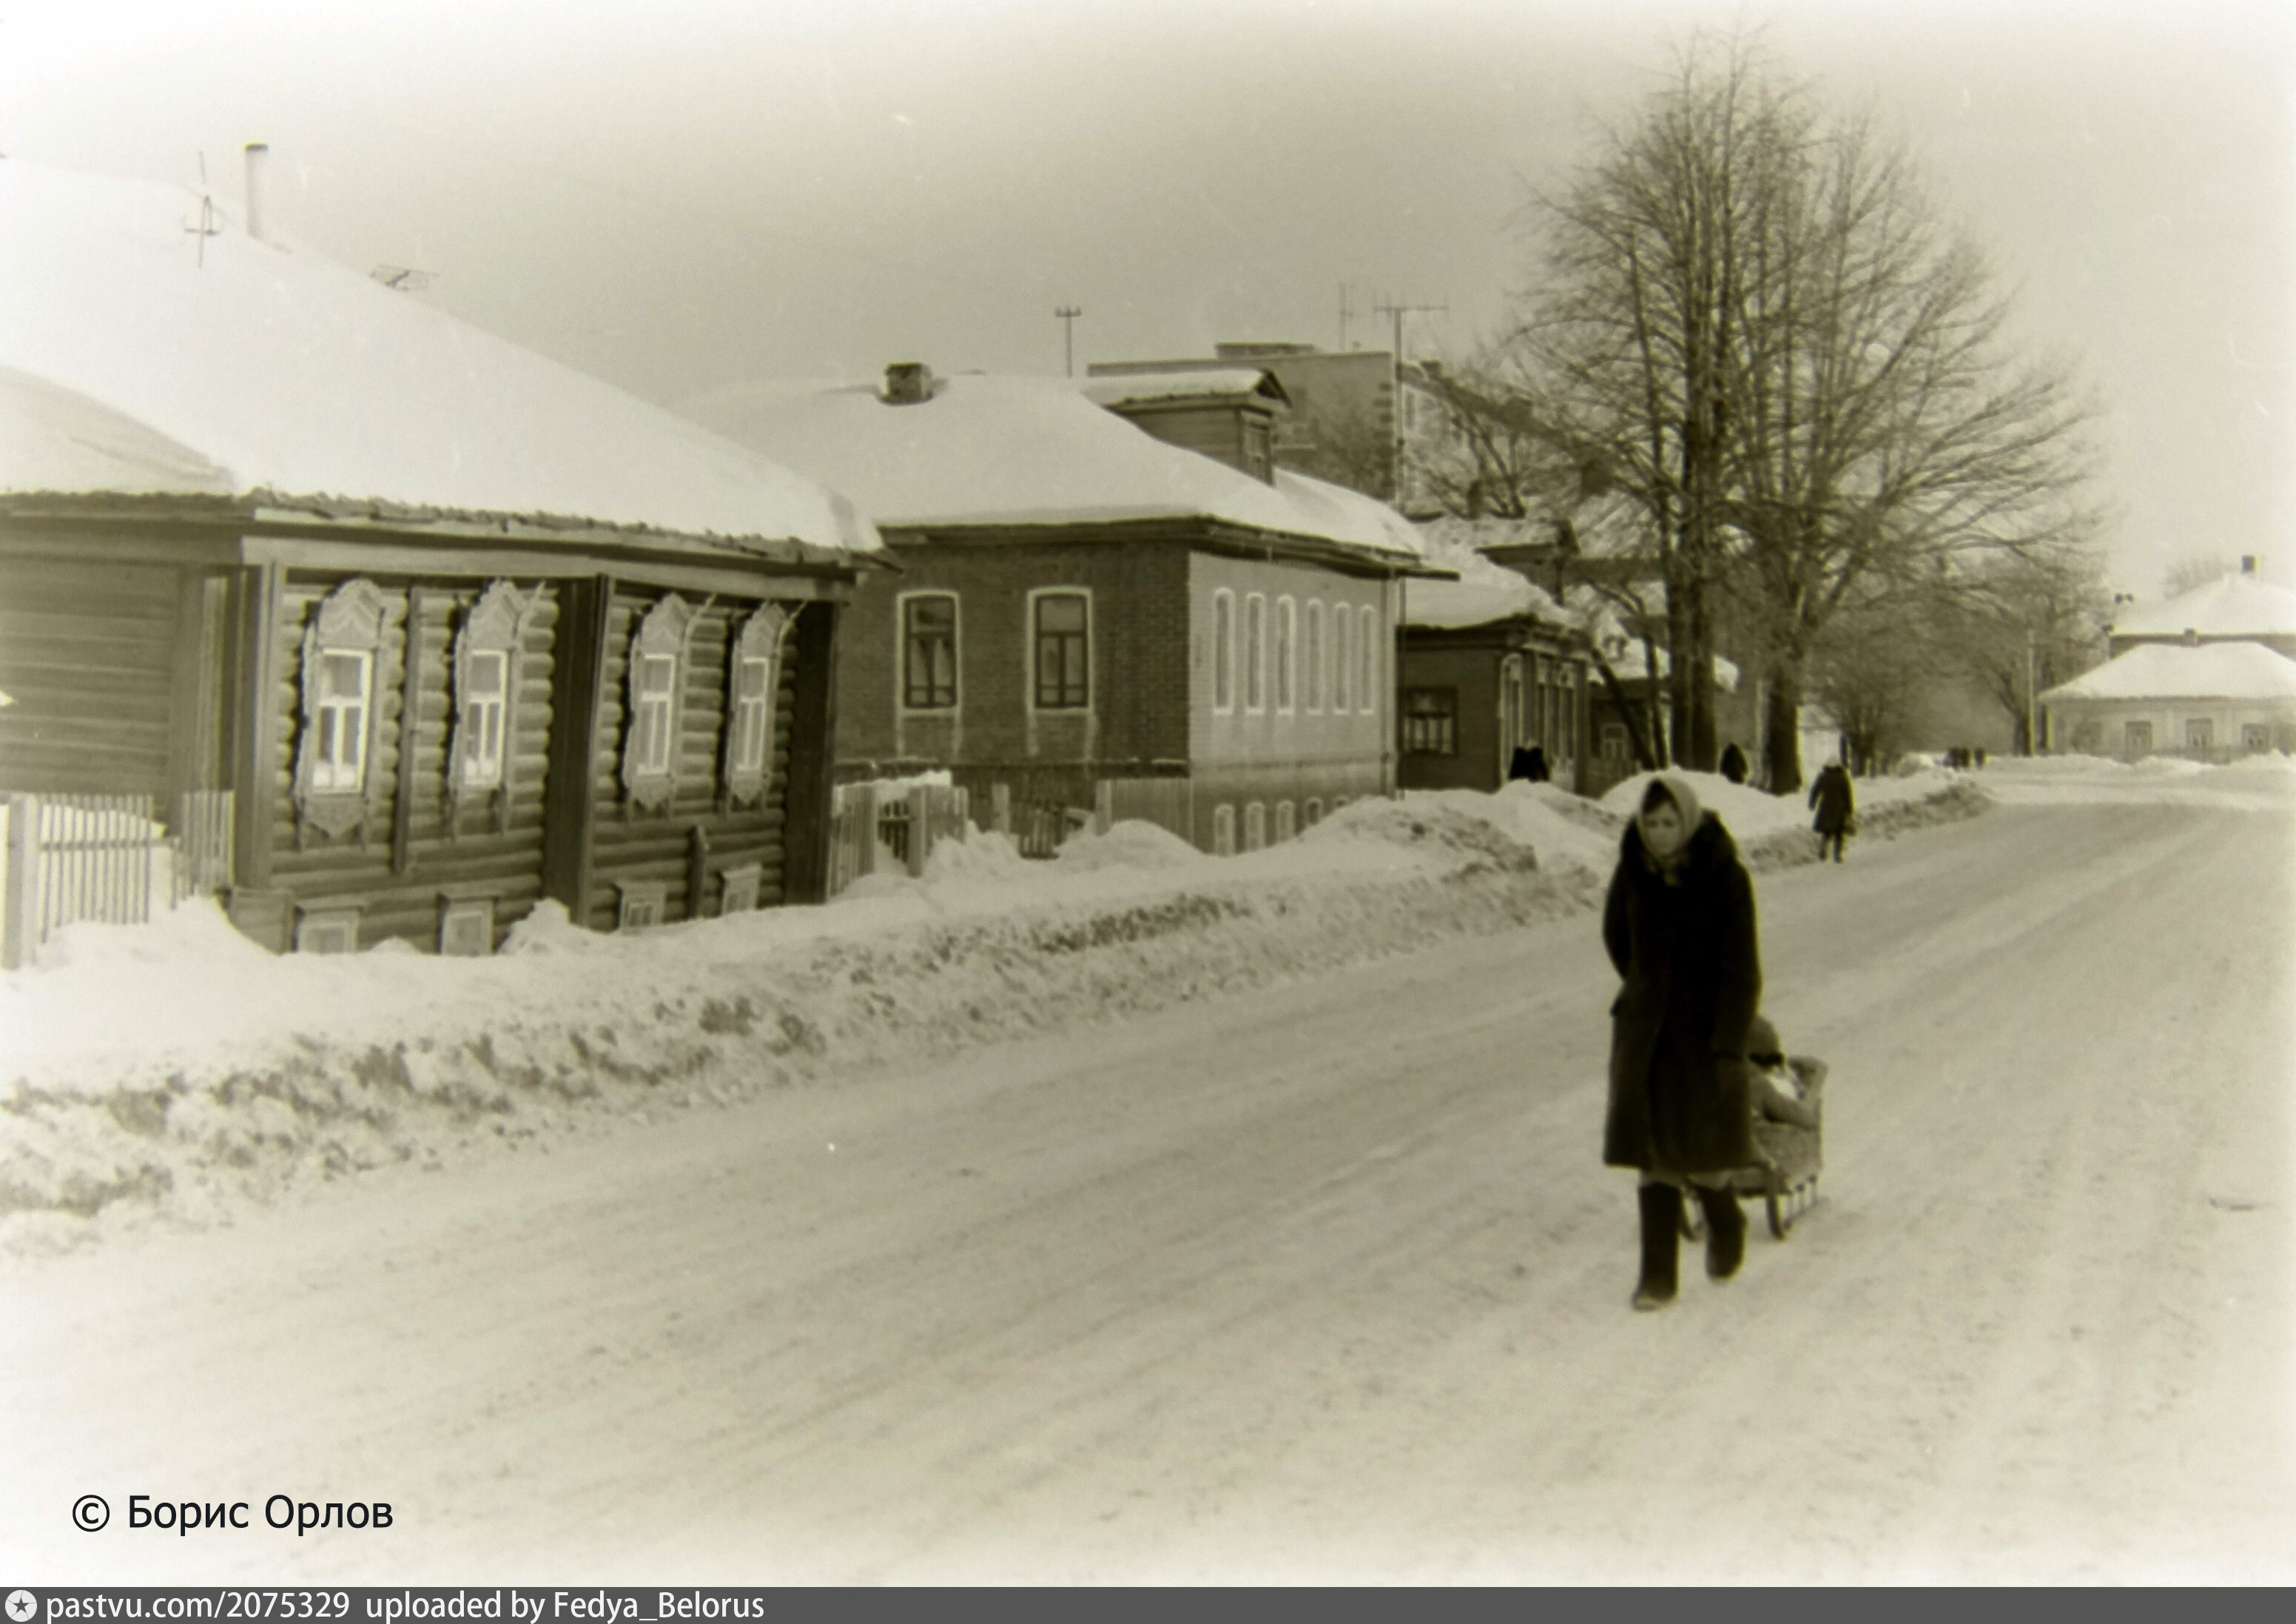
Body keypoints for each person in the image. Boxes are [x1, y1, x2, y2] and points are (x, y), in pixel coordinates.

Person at [1601, 773, 1763, 1311]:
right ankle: (1657, 1280)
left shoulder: (1725, 876)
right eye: (1651, 822)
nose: (1660, 833)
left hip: (1703, 1035)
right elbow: (1617, 938)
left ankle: (1727, 1220)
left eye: (1670, 822)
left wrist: (1728, 1043)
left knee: (1705, 1157)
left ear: (1688, 822)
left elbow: (1742, 970)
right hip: (1648, 1034)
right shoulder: (1632, 871)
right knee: (1653, 1156)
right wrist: (1646, 988)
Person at [1808, 758, 1855, 863]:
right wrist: (1850, 809)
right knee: (1839, 833)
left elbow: (1815, 790)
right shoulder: (1843, 777)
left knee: (1827, 832)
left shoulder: (1823, 777)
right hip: (1840, 808)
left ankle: (1823, 850)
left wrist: (1812, 804)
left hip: (1826, 807)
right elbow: (1848, 794)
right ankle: (1838, 855)